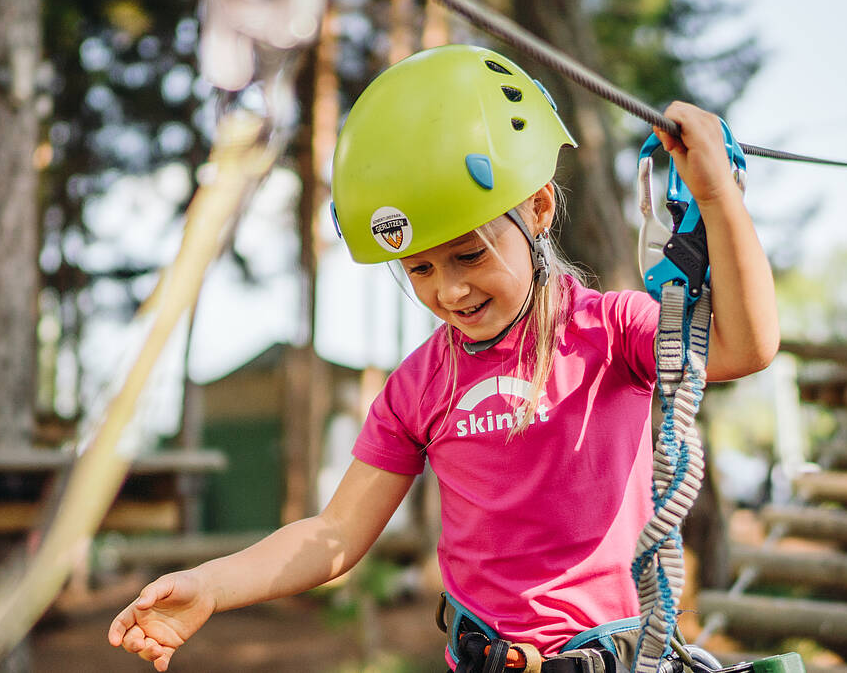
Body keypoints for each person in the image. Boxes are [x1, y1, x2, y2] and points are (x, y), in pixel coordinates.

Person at [105, 45, 780, 672]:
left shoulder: (610, 331)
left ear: (539, 207)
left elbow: (746, 346)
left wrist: (718, 199)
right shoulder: (420, 384)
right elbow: (334, 533)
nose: (449, 289)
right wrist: (209, 585)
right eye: (420, 268)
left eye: (469, 255)